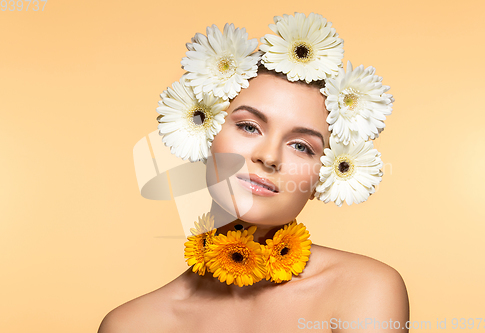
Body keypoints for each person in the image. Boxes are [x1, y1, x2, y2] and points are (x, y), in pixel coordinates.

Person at [98, 12, 409, 333]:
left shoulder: (363, 291)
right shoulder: (131, 324)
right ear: (203, 131)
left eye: (301, 146)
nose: (268, 157)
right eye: (249, 127)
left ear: (326, 173)